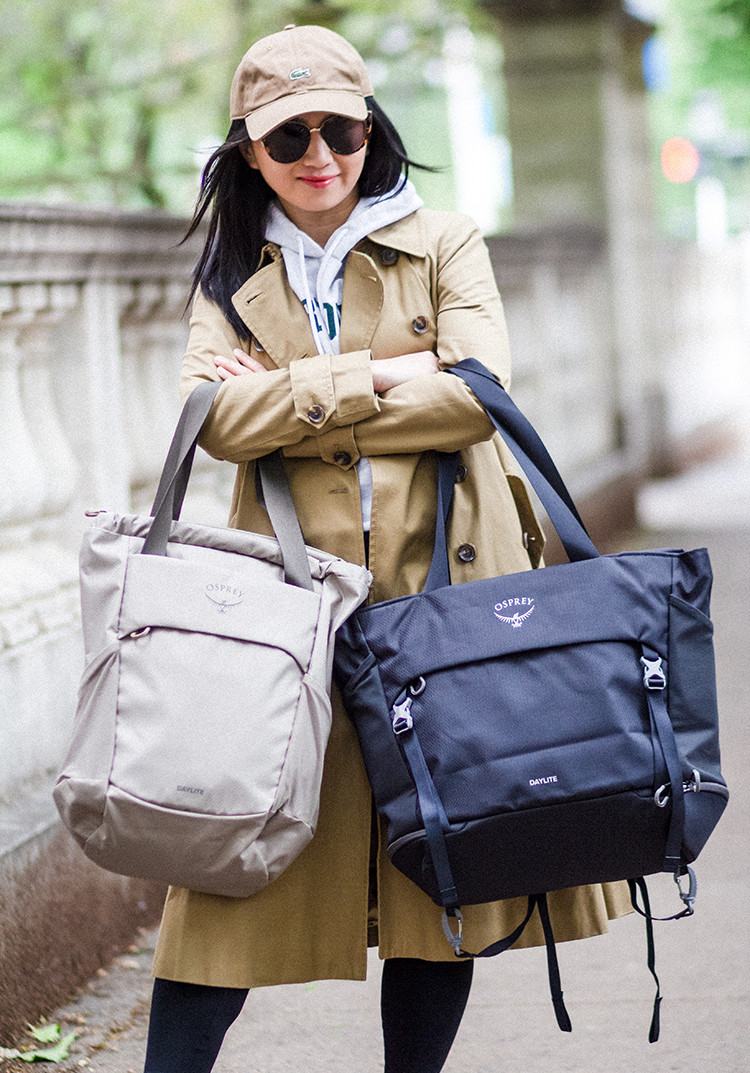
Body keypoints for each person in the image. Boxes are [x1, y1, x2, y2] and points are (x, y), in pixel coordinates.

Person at [142, 23, 631, 1073]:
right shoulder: (235, 263)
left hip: (441, 592)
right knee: (228, 880)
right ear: (248, 153)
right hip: (289, 607)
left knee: (434, 876)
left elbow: (474, 399)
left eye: (343, 130)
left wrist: (291, 391)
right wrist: (382, 375)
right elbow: (208, 421)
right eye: (290, 139)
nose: (321, 154)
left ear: (375, 129)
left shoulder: (441, 237)